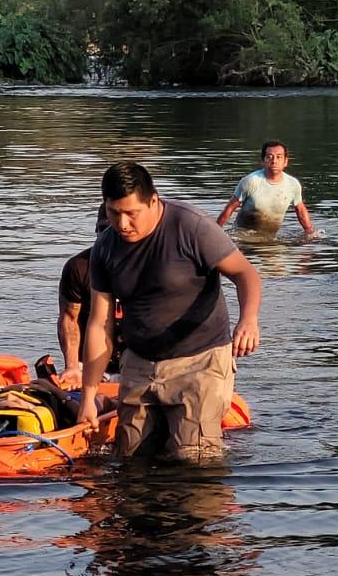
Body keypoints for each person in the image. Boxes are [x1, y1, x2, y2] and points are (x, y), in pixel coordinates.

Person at [76, 161, 262, 463]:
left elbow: (246, 274)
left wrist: (249, 320)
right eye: (113, 213)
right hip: (139, 363)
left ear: (153, 201)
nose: (122, 224)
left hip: (200, 361)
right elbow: (99, 325)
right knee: (130, 457)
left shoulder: (192, 227)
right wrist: (87, 397)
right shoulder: (105, 249)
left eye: (131, 214)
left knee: (194, 459)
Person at [215, 140, 318, 237]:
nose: (274, 161)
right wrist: (215, 231)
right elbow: (230, 207)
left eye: (279, 157)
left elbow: (300, 209)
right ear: (263, 160)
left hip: (271, 237)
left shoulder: (292, 184)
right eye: (269, 157)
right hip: (243, 235)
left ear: (286, 162)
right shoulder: (251, 181)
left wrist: (310, 232)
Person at [57, 248, 124, 386]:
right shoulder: (79, 267)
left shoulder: (153, 264)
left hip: (137, 363)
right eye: (103, 230)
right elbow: (69, 319)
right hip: (88, 364)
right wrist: (72, 366)